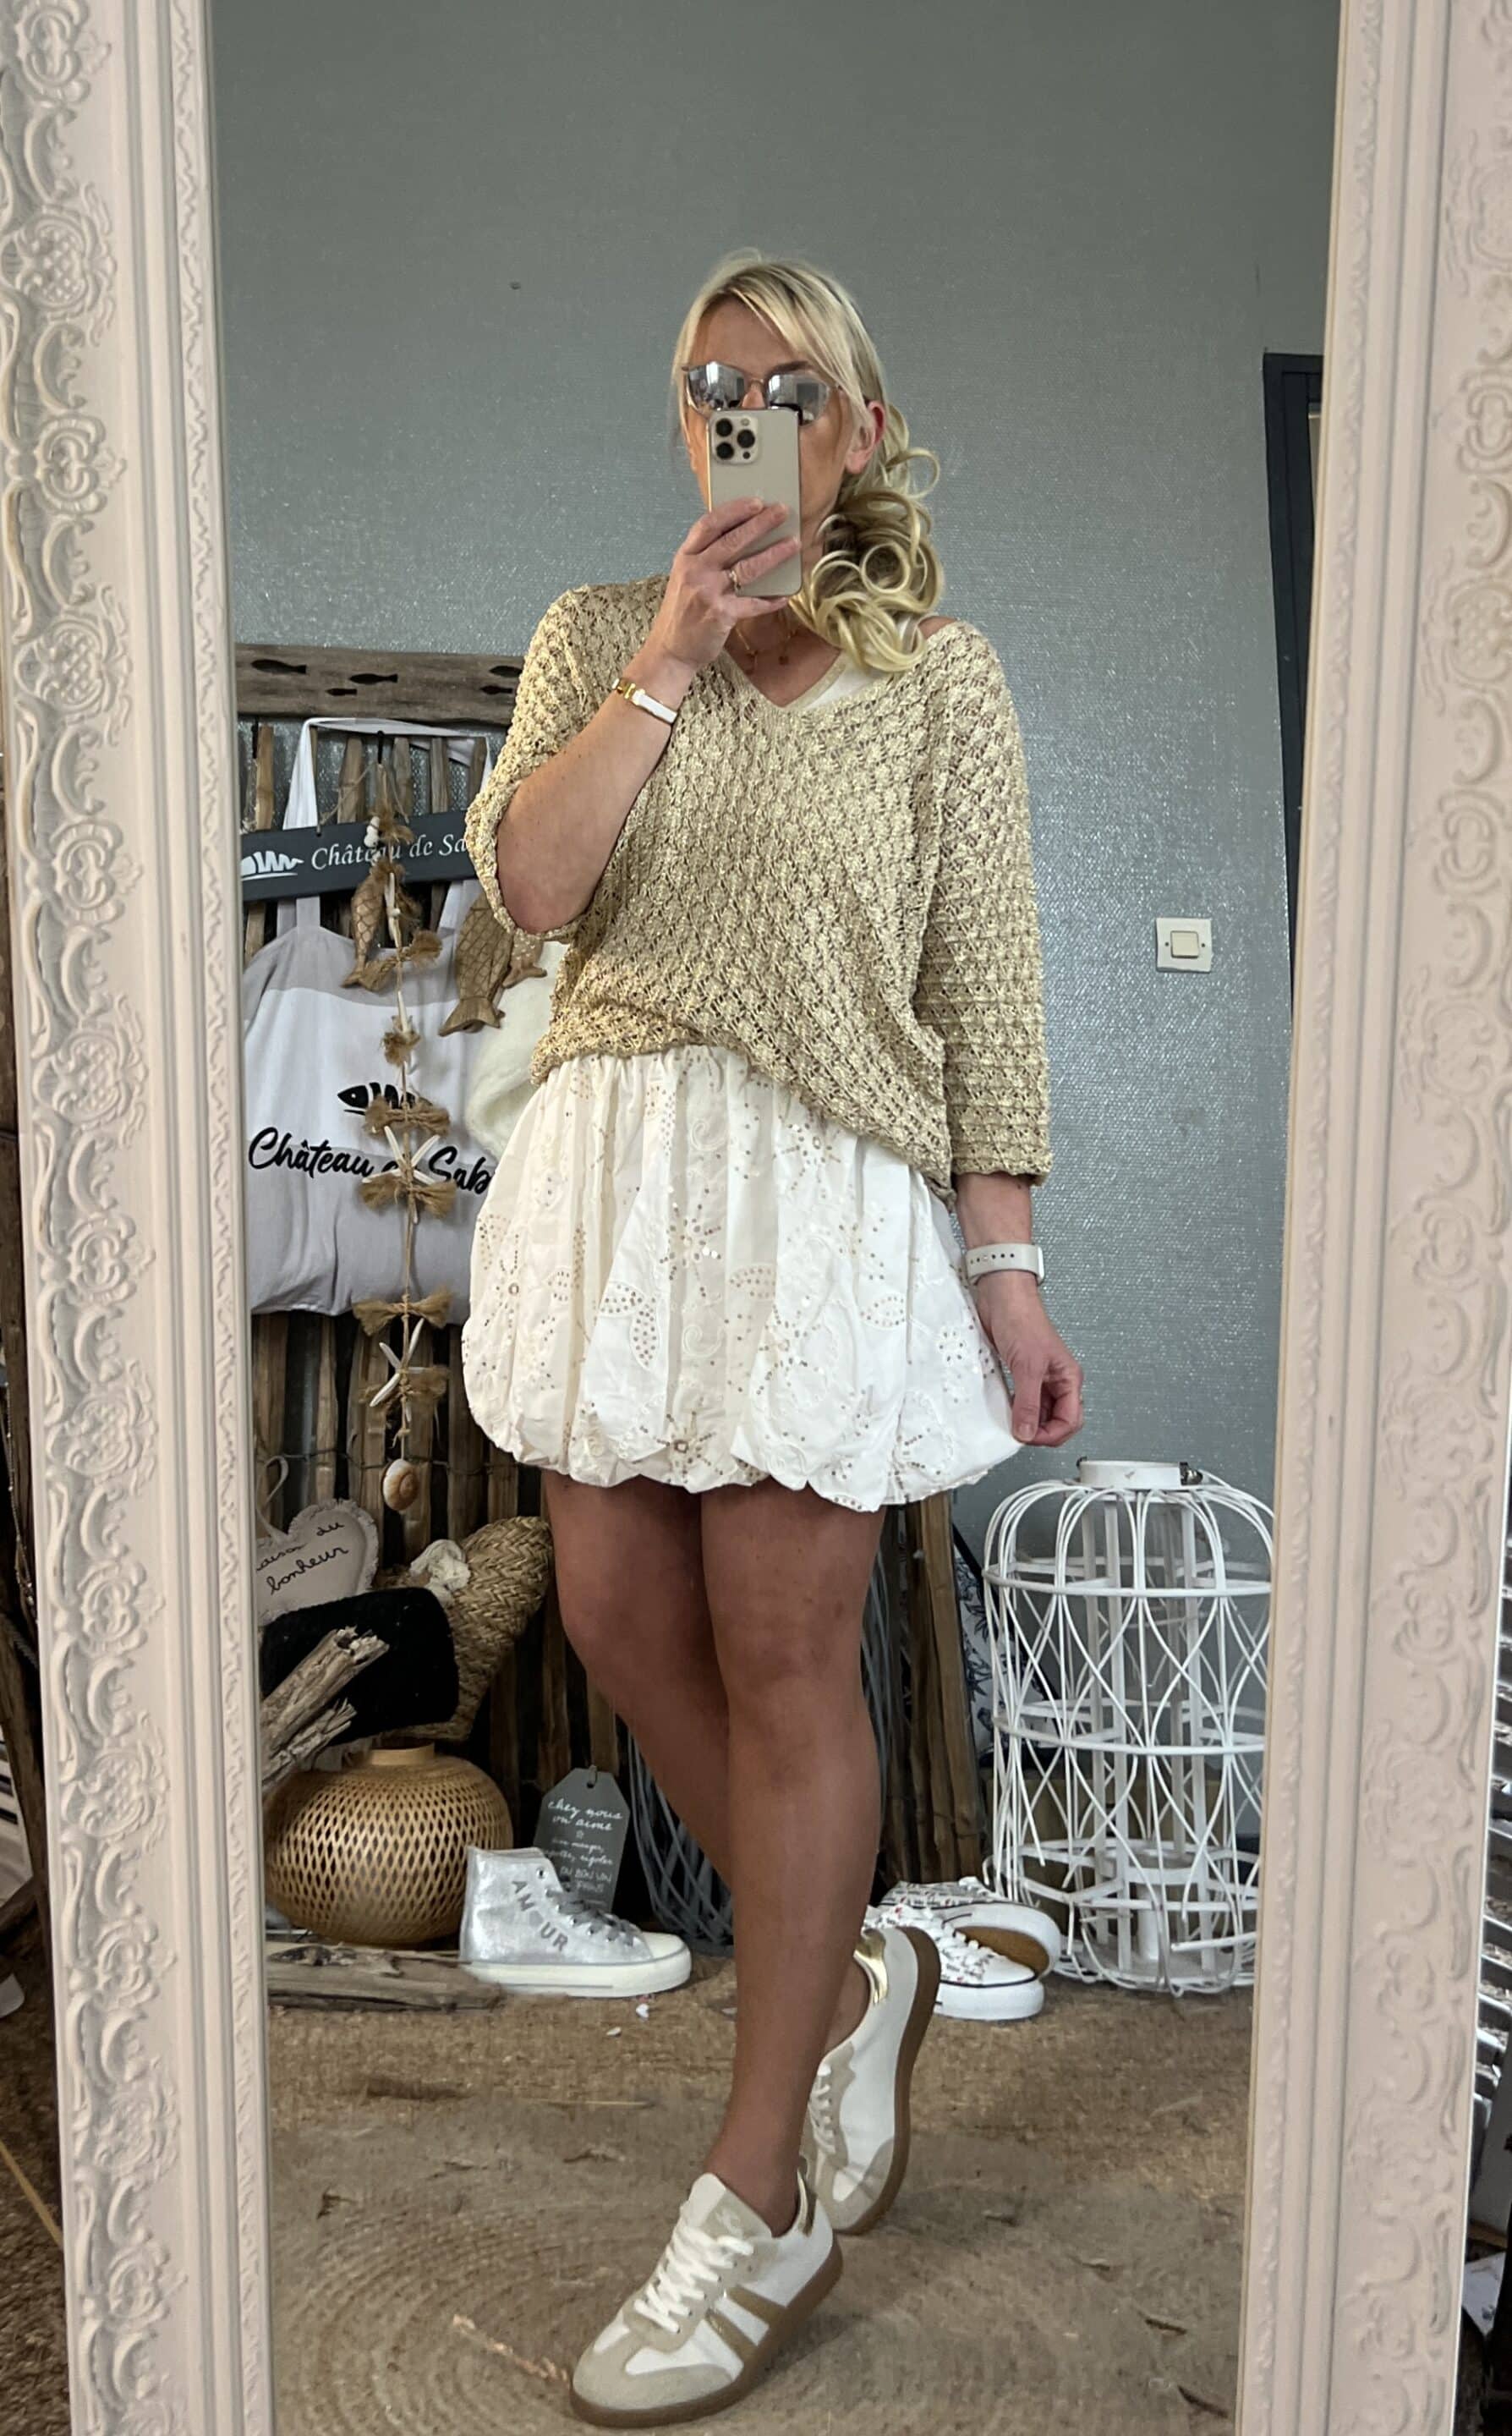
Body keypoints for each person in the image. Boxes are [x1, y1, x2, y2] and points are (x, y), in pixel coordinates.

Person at [462, 248, 1083, 2428]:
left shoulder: (942, 683)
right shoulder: (591, 638)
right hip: (621, 1176)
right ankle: (862, 1972)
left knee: (784, 1653)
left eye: (789, 385)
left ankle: (756, 2198)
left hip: (819, 1189)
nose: (745, 411)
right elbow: (535, 894)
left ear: (862, 429)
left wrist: (1006, 1271)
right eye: (711, 383)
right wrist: (666, 658)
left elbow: (982, 983)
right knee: (619, 1612)